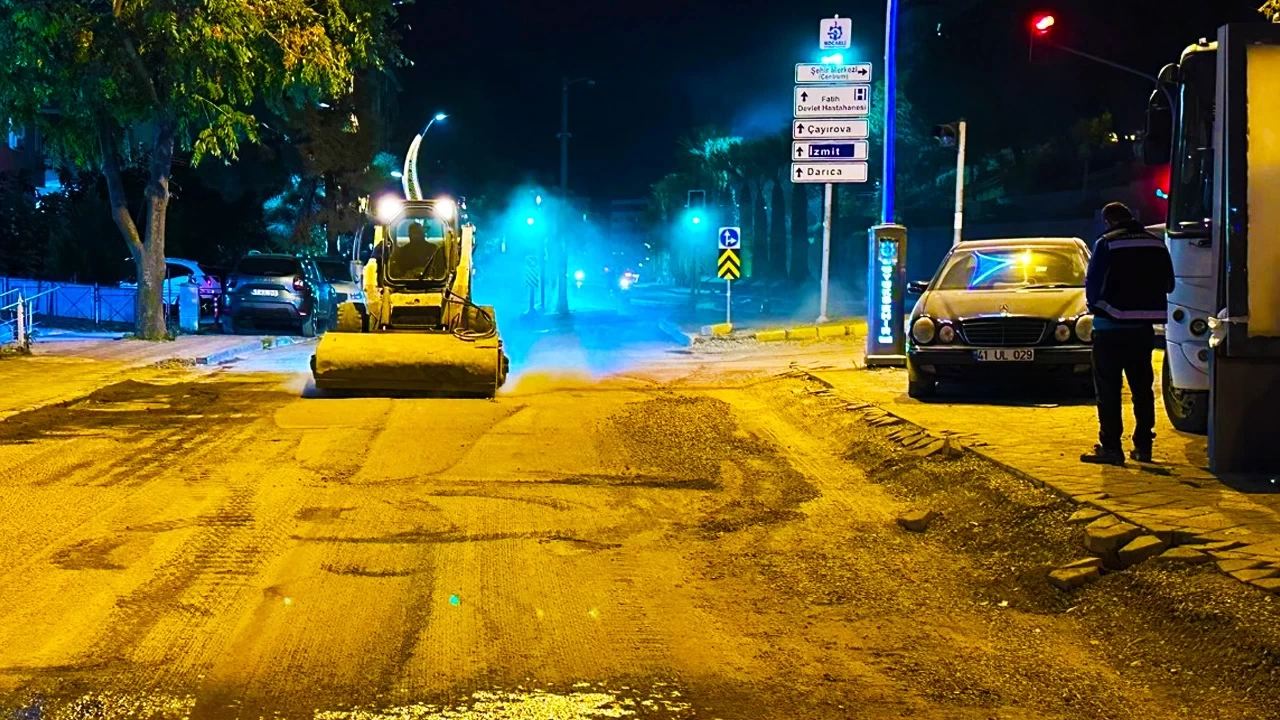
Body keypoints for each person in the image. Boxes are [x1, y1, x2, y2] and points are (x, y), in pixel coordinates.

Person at [1081, 202, 1175, 465]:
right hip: (1143, 330)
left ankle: (1111, 448)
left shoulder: (1106, 244)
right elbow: (1169, 283)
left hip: (1109, 330)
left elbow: (1093, 287)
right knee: (1142, 390)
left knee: (1109, 391)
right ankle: (1144, 447)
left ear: (1108, 221)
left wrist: (1100, 307)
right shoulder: (1157, 244)